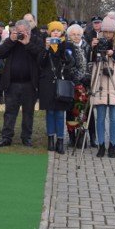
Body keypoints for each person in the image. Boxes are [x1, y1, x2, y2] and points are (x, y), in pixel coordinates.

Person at [0, 19, 42, 147]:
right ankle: (6, 137)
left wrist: (27, 44)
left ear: (28, 30)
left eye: (23, 32)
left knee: (28, 112)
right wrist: (11, 40)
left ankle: (26, 137)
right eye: (18, 31)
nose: (21, 34)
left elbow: (41, 55)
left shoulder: (36, 40)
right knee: (10, 112)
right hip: (12, 84)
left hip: (29, 84)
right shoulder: (12, 41)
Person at [89, 13, 115, 158]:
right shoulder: (97, 42)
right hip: (100, 83)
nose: (108, 35)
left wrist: (113, 54)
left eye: (110, 32)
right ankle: (101, 145)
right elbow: (90, 61)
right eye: (105, 32)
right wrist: (93, 49)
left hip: (114, 83)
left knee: (114, 117)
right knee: (100, 117)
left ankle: (111, 145)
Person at [37, 20, 76, 154]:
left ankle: (60, 141)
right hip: (47, 83)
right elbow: (40, 63)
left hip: (60, 83)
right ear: (49, 33)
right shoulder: (44, 45)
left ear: (62, 32)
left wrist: (63, 49)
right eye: (53, 30)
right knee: (50, 112)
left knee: (60, 113)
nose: (55, 33)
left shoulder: (67, 45)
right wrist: (46, 48)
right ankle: (50, 139)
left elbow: (71, 63)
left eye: (58, 31)